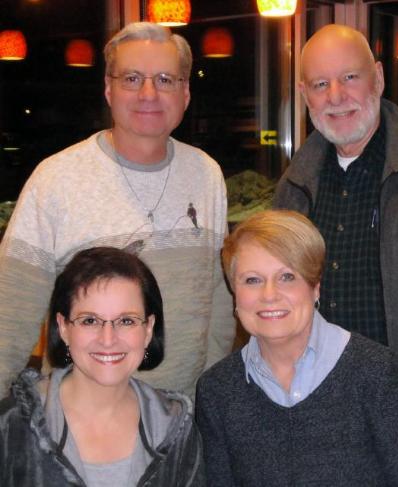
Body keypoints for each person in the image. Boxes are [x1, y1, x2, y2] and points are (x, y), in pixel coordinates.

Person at [0, 22, 234, 398]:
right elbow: (10, 313)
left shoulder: (206, 175)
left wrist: (211, 400)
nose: (148, 93)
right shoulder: (56, 178)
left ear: (186, 93)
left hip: (181, 417)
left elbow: (218, 303)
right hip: (79, 421)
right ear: (109, 89)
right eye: (131, 78)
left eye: (165, 79)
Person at [196, 210, 398, 486]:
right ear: (234, 292)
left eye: (287, 277)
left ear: (315, 287)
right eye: (253, 280)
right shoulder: (216, 391)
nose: (269, 295)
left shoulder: (377, 373)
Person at [273, 23, 398, 419]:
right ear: (304, 95)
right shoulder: (293, 187)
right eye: (320, 84)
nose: (336, 96)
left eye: (349, 77)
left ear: (377, 77)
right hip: (319, 407)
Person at [0, 246, 205, 486]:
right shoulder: (12, 425)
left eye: (126, 320)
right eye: (90, 320)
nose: (108, 340)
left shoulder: (176, 430)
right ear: (63, 327)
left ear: (148, 329)